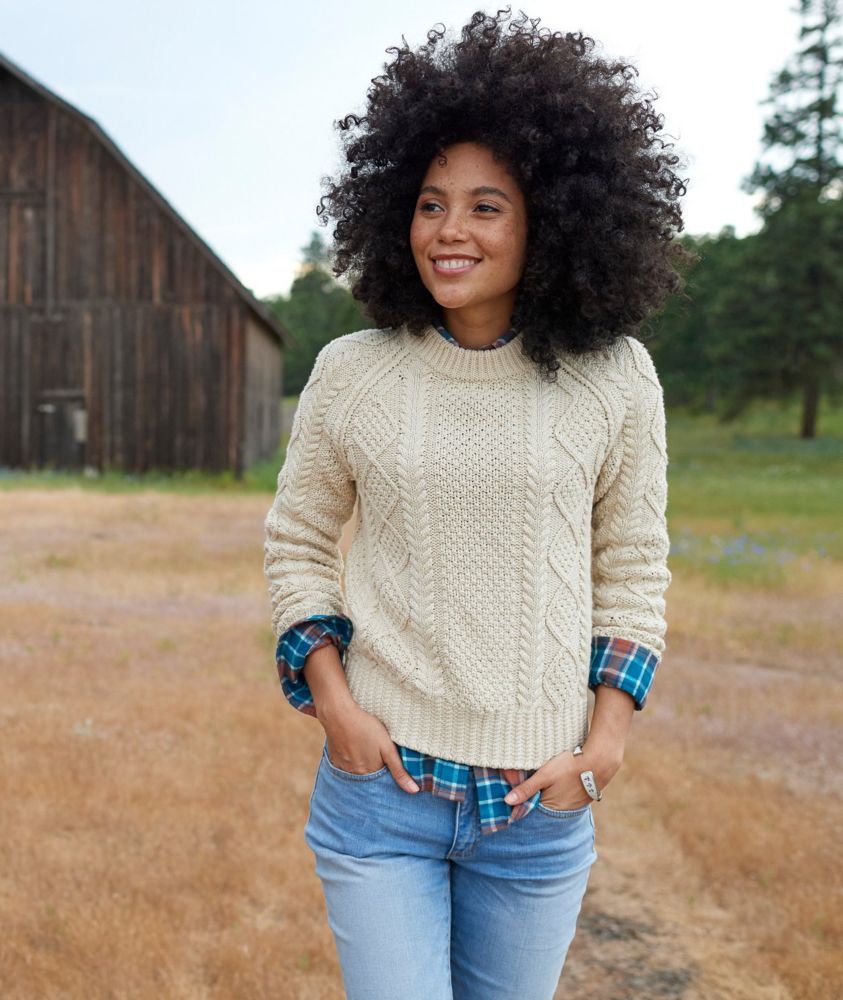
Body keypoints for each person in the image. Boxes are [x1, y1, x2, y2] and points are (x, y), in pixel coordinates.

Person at [263, 8, 692, 998]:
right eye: (429, 202)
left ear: (551, 215)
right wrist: (334, 704)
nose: (449, 229)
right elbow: (298, 543)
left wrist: (604, 748)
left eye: (486, 204)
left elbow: (629, 563)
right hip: (383, 798)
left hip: (539, 809)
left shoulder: (615, 377)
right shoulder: (350, 372)